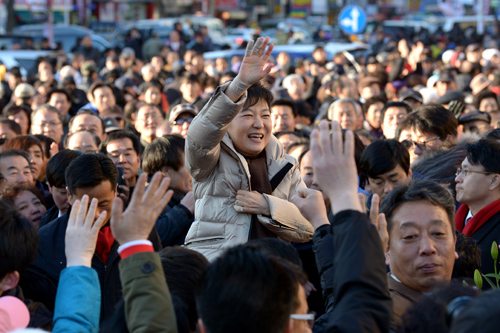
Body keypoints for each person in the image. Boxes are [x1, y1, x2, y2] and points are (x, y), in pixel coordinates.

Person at [185, 37, 313, 260]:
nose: (258, 123)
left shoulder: (286, 165)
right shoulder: (210, 158)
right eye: (247, 115)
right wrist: (239, 85)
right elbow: (200, 135)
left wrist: (268, 206)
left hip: (272, 273)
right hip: (219, 268)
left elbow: (306, 227)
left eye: (265, 115)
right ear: (227, 122)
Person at [21, 153, 162, 324]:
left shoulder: (138, 231)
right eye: (86, 205)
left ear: (115, 191)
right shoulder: (44, 241)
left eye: (103, 205)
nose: (95, 214)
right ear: (70, 195)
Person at [290, 120, 391, 332]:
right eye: (308, 172)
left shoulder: (363, 213)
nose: (317, 180)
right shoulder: (284, 215)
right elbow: (356, 309)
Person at [380, 180, 458, 329]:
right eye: (410, 236)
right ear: (386, 249)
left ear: (454, 242)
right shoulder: (380, 316)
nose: (428, 248)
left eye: (438, 233)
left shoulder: (464, 302)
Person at [454, 139, 500, 276]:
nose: (457, 179)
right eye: (459, 171)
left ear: (494, 181)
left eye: (466, 172)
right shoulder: (452, 219)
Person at [42, 149, 82, 226]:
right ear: (50, 188)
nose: (70, 200)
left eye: (75, 193)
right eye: (63, 193)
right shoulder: (45, 222)